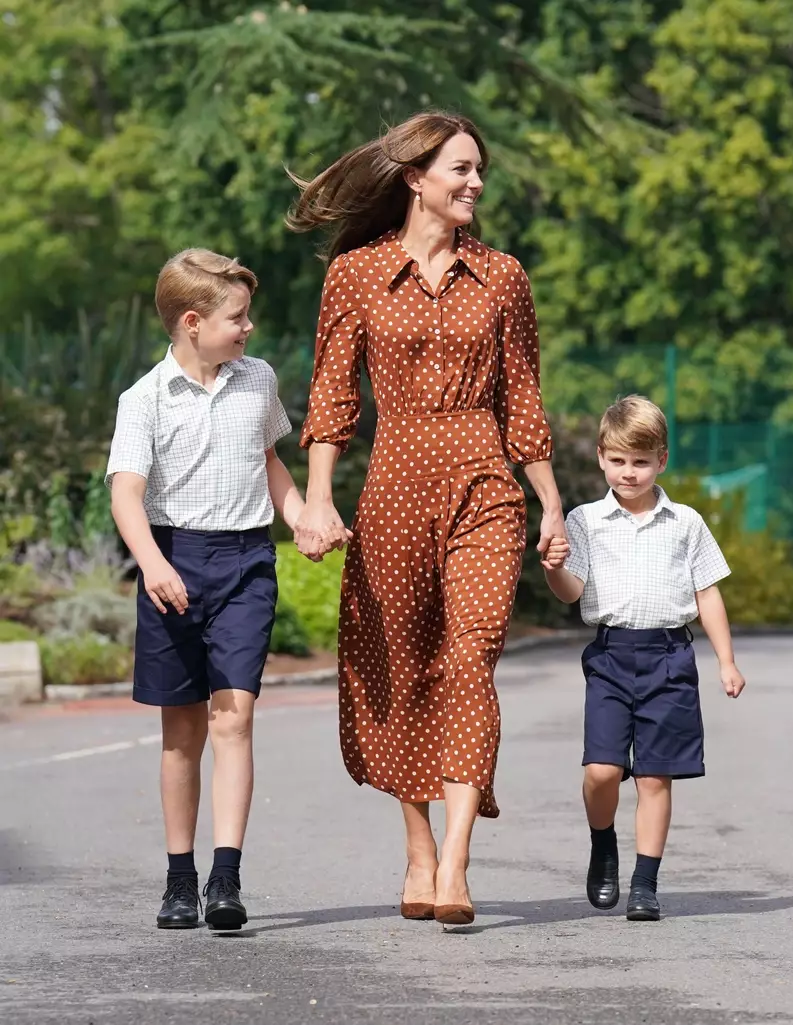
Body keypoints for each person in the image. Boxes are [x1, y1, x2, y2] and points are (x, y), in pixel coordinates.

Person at [286, 110, 567, 927]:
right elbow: (332, 399)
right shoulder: (356, 277)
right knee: (401, 663)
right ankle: (416, 847)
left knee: (471, 657)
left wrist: (550, 500)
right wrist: (317, 498)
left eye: (479, 170)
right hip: (395, 484)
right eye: (461, 169)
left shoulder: (505, 275)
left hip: (485, 481)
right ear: (415, 178)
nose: (476, 183)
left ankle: (454, 862)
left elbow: (523, 397)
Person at [107, 249, 304, 930]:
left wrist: (301, 515)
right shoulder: (145, 400)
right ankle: (179, 878)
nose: (248, 329)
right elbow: (126, 494)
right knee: (182, 729)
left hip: (247, 560)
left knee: (235, 715)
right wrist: (152, 564)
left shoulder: (258, 380)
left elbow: (270, 460)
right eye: (237, 318)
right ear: (193, 322)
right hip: (172, 560)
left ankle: (226, 875)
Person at [542, 395, 745, 921]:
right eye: (617, 461)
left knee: (656, 776)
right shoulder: (585, 521)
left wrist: (725, 660)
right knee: (602, 771)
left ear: (662, 461)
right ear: (600, 458)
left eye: (640, 462)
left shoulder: (686, 522)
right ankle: (603, 842)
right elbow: (570, 592)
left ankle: (645, 883)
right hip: (611, 657)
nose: (628, 473)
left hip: (670, 657)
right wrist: (552, 567)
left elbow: (708, 593)